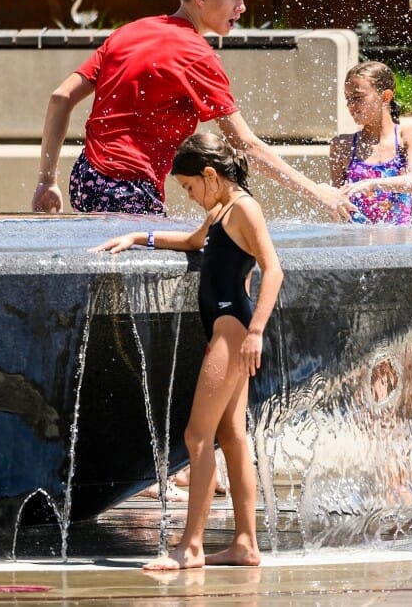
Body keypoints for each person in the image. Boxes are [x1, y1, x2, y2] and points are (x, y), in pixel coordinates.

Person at [32, 0, 352, 221]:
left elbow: (61, 97)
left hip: (86, 178)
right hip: (126, 189)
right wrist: (317, 192)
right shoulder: (197, 55)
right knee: (151, 286)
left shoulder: (130, 31)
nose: (241, 8)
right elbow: (246, 146)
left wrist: (47, 180)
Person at [91, 131, 281, 570]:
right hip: (227, 326)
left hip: (234, 329)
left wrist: (255, 332)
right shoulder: (221, 211)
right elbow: (194, 243)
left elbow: (274, 269)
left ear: (210, 175)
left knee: (198, 437)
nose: (191, 196)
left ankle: (190, 547)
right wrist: (139, 237)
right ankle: (245, 544)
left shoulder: (245, 209)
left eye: (190, 187)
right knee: (231, 437)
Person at [329, 61, 412, 224]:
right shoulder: (341, 145)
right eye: (348, 99)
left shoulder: (407, 136)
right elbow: (337, 205)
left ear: (385, 96)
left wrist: (371, 184)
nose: (351, 106)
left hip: (403, 244)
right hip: (358, 243)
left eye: (358, 97)